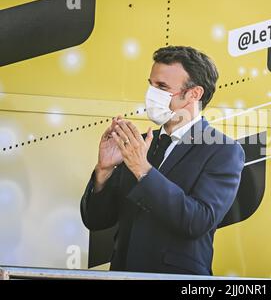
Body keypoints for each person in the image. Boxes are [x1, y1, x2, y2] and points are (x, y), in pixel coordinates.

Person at [80, 46, 245, 275]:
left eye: (162, 87)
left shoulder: (223, 150)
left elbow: (197, 221)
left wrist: (143, 170)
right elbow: (96, 220)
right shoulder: (141, 144)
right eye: (151, 84)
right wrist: (104, 171)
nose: (152, 93)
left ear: (194, 94)